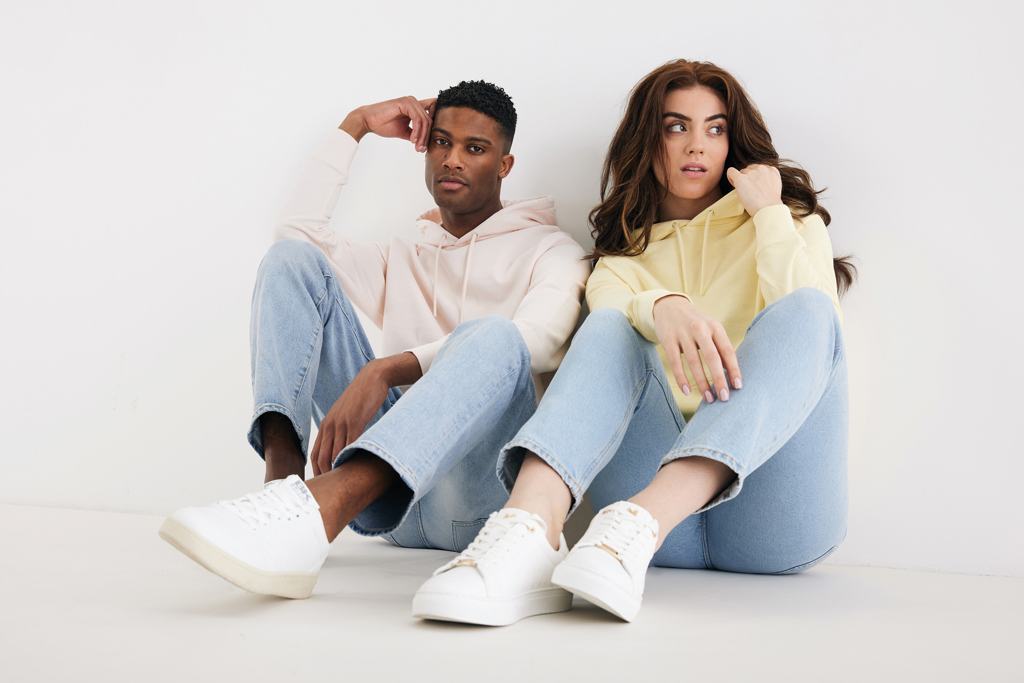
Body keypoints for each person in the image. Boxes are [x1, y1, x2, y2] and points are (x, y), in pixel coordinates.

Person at [412, 60, 856, 624]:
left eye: (715, 129)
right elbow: (610, 309)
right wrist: (662, 306)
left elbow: (812, 337)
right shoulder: (621, 257)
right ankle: (528, 531)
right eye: (676, 127)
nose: (696, 145)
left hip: (774, 519)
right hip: (643, 537)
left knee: (811, 309)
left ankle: (639, 520)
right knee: (606, 325)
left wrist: (768, 212)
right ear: (648, 140)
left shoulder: (786, 223)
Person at [158, 81, 591, 609]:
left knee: (498, 335)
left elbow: (539, 340)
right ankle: (283, 492)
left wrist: (387, 368)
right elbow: (295, 232)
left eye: (474, 148)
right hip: (393, 506)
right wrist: (356, 124)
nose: (452, 159)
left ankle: (320, 507)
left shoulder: (553, 250)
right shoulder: (405, 253)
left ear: (504, 165)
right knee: (291, 261)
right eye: (441, 143)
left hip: (479, 502)